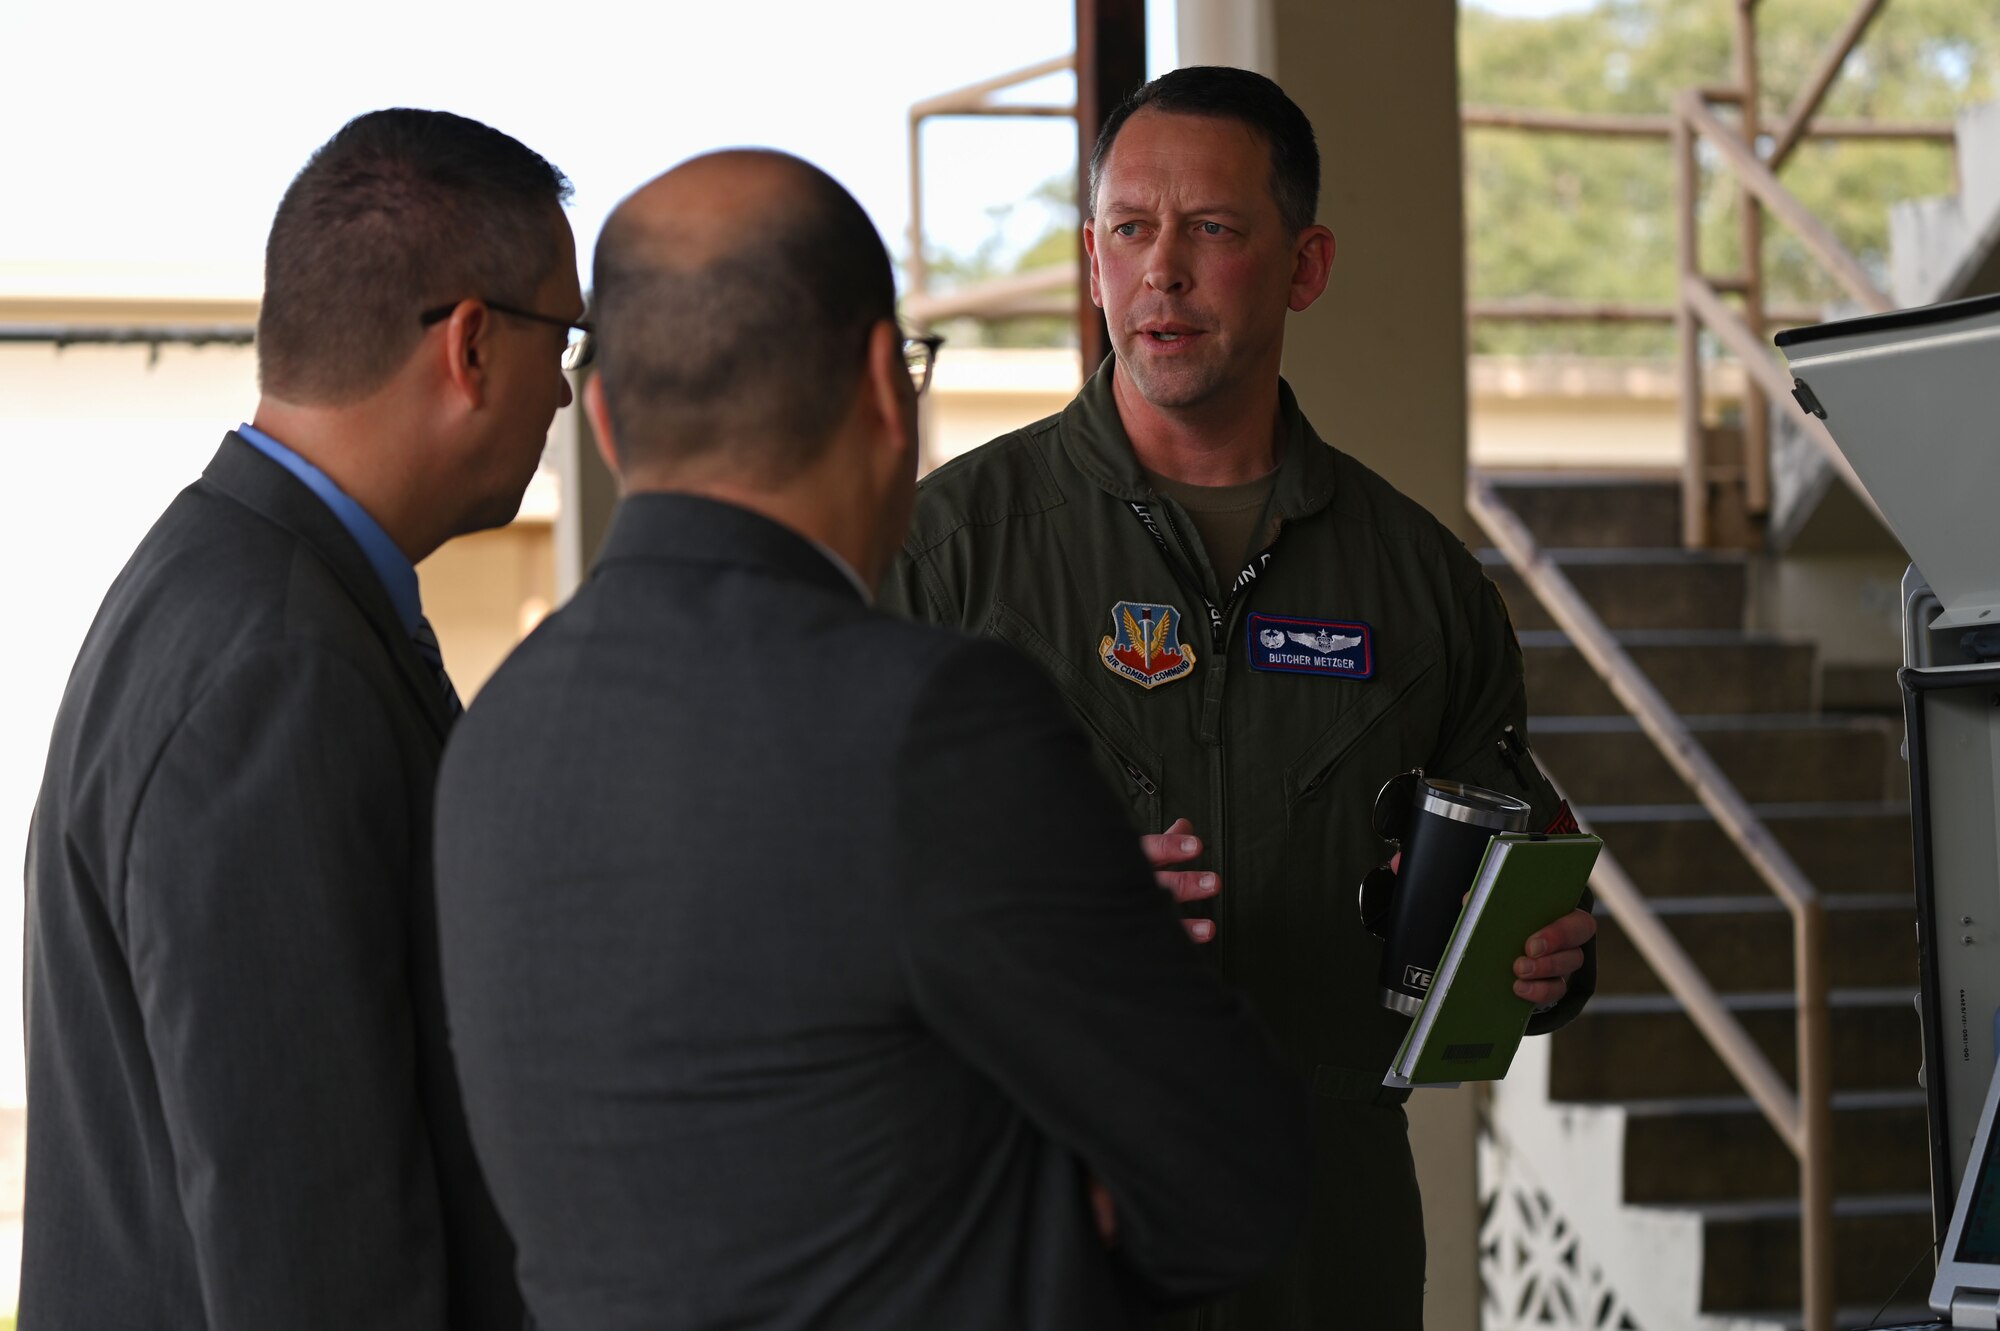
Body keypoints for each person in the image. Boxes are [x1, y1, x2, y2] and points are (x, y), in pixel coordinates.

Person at [432, 148, 1309, 1331]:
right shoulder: (929, 718)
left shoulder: (498, 726)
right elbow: (1232, 1176)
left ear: (602, 421)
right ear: (883, 388)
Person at [882, 66, 1599, 1328]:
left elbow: (1490, 896)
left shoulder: (1422, 585)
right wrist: (1051, 924)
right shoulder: (950, 551)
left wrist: (1535, 963)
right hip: (1041, 1236)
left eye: (1209, 230)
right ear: (1093, 256)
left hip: (1325, 1245)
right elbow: (827, 901)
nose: (1159, 272)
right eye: (1126, 229)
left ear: (1302, 265)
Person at [20, 108, 584, 1330]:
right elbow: (312, 1247)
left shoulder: (234, 579)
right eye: (567, 336)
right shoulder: (274, 665)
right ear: (474, 345)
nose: (565, 391)